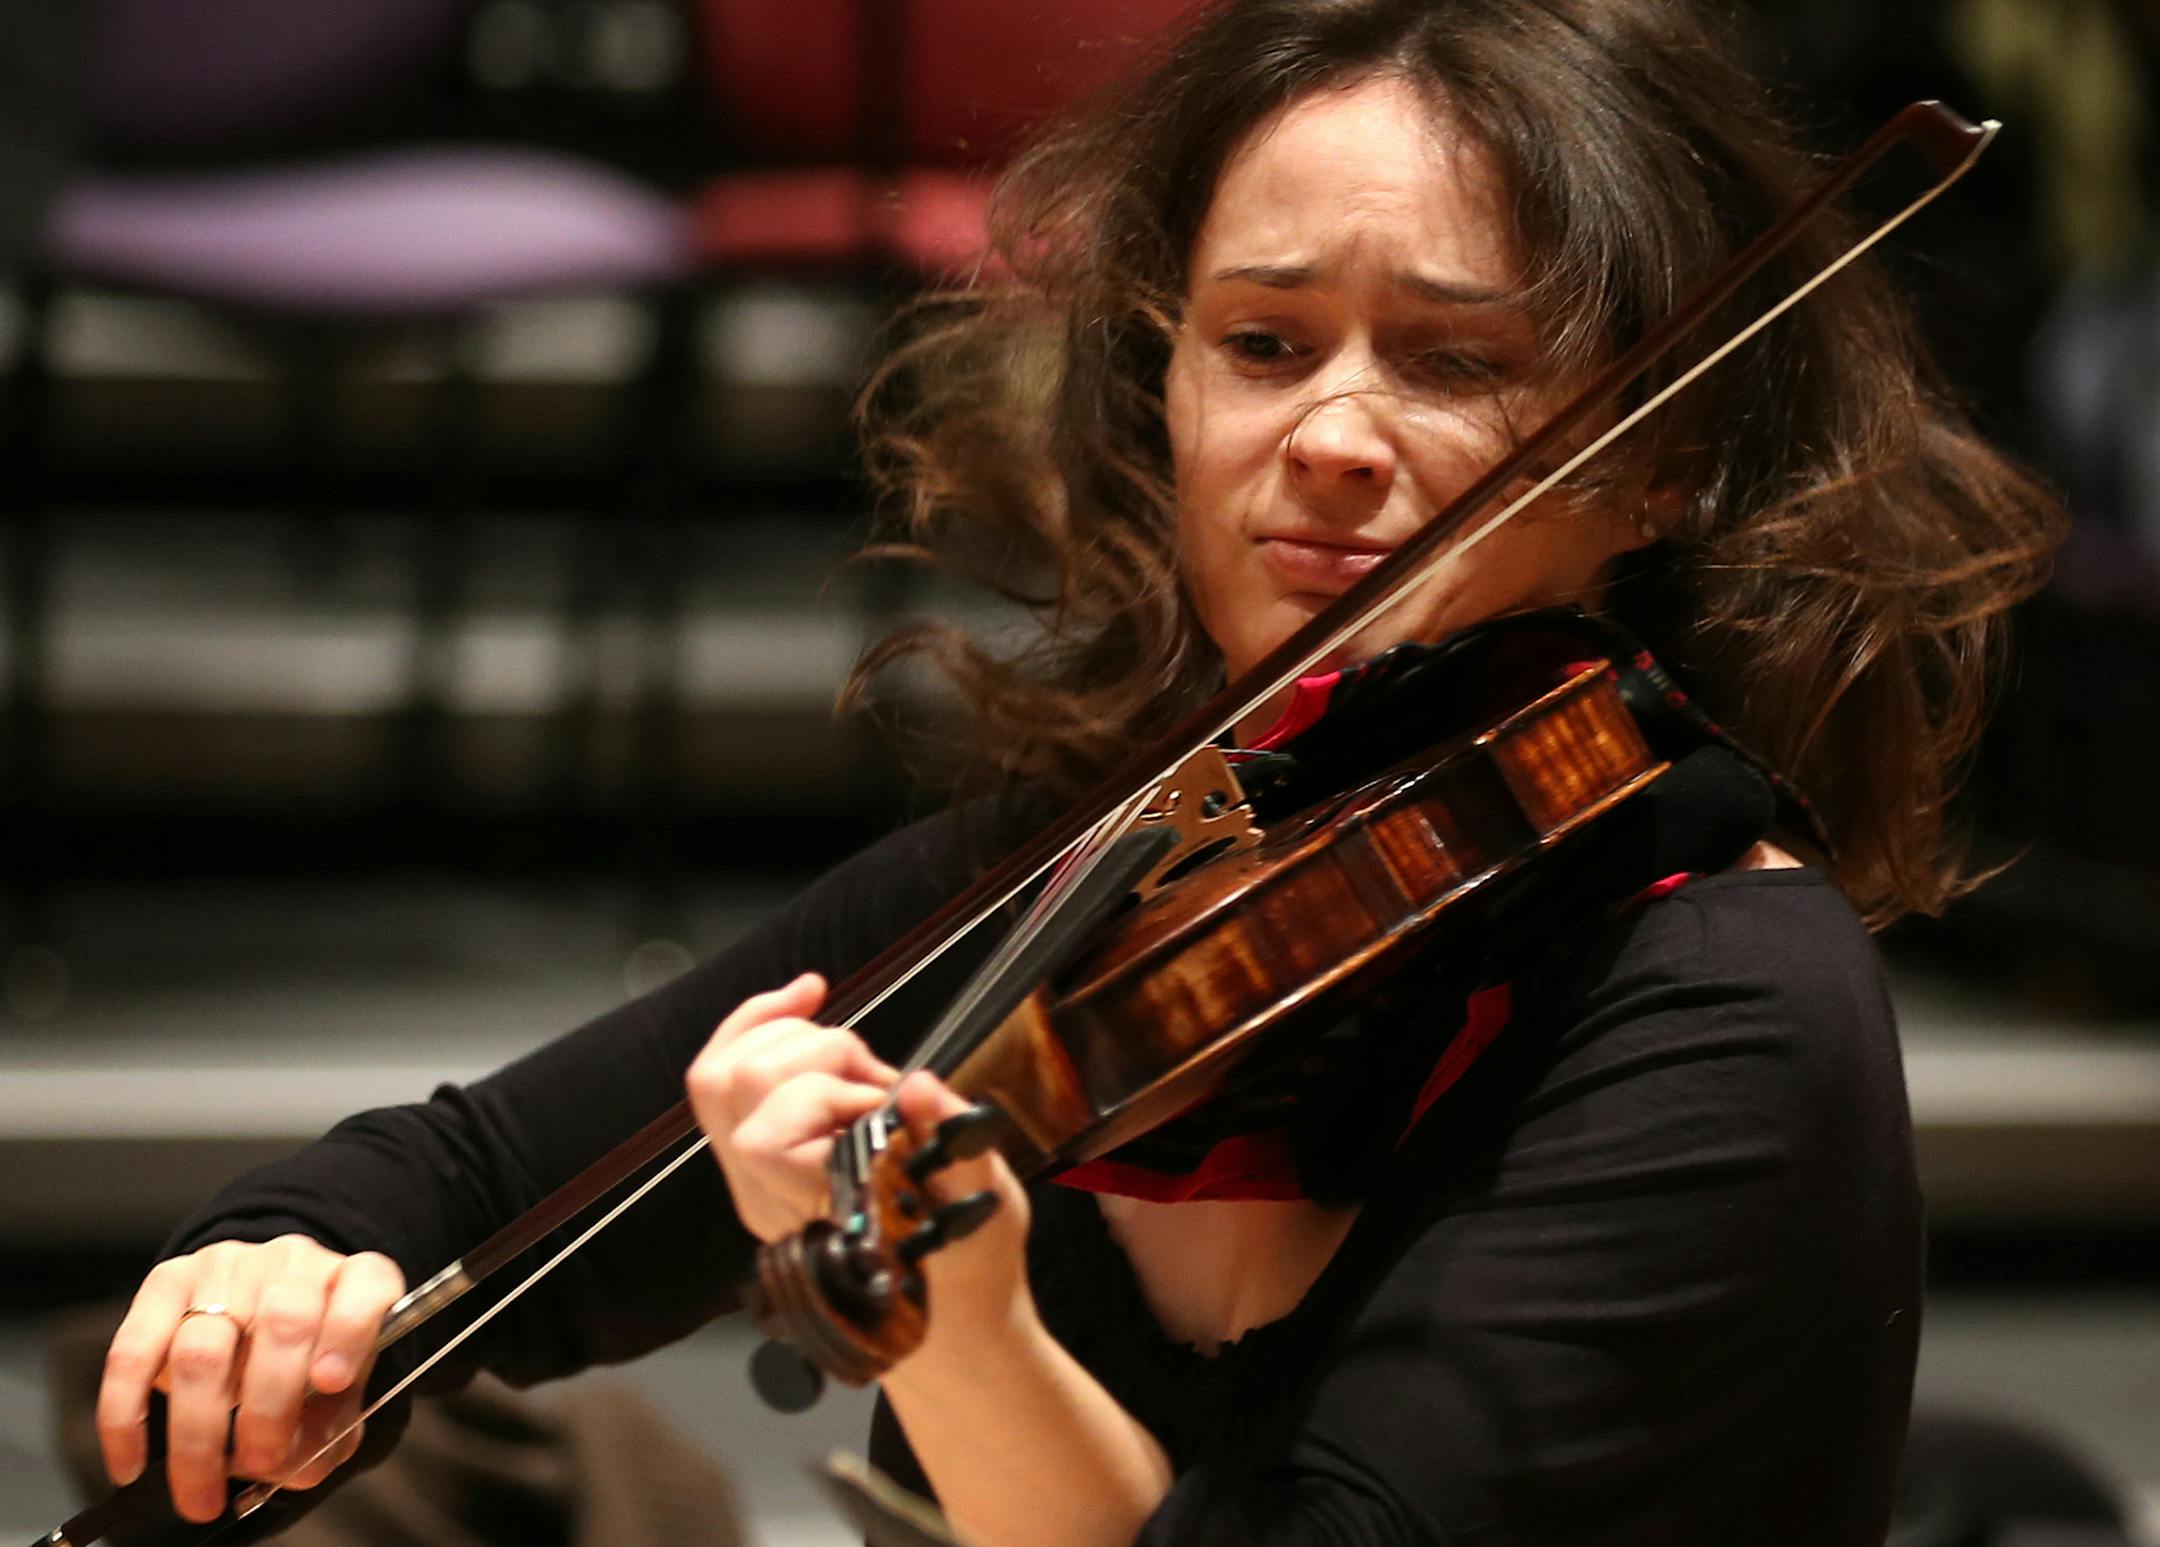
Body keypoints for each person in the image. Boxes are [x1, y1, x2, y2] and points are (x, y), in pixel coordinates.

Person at [91, 1, 2065, 1544]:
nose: (1332, 437)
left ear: (1663, 457)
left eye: (1453, 363)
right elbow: (467, 1176)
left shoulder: (1718, 996)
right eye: (1265, 343)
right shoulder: (1144, 849)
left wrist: (964, 1341)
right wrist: (272, 1271)